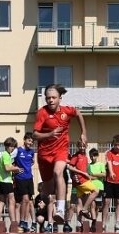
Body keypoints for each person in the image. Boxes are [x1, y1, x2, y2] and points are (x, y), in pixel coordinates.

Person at [33, 84, 87, 223]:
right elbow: (34, 135)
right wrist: (50, 134)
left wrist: (83, 133)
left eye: (53, 97)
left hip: (61, 150)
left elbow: (78, 113)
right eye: (48, 98)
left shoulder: (67, 111)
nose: (50, 100)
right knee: (47, 192)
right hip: (44, 154)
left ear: (60, 98)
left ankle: (61, 209)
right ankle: (45, 203)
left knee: (58, 173)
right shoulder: (42, 113)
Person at [67, 141, 100, 230]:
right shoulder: (76, 156)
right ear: (78, 147)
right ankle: (84, 210)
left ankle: (79, 222)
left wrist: (89, 176)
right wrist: (81, 173)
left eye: (83, 146)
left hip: (84, 180)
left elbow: (84, 170)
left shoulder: (85, 157)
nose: (82, 148)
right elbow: (70, 167)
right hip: (81, 181)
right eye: (80, 146)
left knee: (80, 201)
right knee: (96, 191)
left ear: (86, 147)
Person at [0, 137, 23, 232]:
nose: (12, 148)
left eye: (13, 147)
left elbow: (7, 167)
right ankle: (13, 223)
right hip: (6, 181)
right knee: (11, 201)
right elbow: (7, 168)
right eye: (11, 146)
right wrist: (16, 169)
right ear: (7, 146)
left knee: (2, 201)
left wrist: (15, 169)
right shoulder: (6, 155)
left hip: (2, 181)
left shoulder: (5, 155)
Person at [13, 132, 36, 233]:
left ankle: (25, 222)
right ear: (25, 140)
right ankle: (22, 221)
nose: (30, 143)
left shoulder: (31, 152)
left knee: (28, 201)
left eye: (32, 141)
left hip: (29, 178)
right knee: (24, 199)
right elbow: (9, 162)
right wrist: (15, 169)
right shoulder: (17, 150)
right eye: (29, 140)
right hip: (20, 178)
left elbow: (32, 162)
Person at [87, 148, 106, 226]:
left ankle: (94, 220)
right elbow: (88, 176)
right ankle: (94, 222)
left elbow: (104, 174)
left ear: (97, 156)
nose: (92, 158)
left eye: (94, 156)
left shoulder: (101, 164)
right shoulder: (88, 165)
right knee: (92, 205)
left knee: (97, 207)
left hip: (100, 187)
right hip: (91, 187)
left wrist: (94, 175)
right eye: (91, 156)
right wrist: (96, 176)